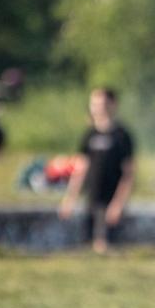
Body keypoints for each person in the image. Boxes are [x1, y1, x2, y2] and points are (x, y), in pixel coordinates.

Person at [59, 88, 136, 253]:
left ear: (113, 105)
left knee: (106, 247)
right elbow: (80, 168)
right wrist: (70, 198)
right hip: (92, 197)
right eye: (94, 104)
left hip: (111, 199)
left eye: (102, 104)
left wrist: (118, 204)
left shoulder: (122, 135)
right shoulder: (89, 134)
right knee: (87, 246)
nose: (98, 108)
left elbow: (128, 174)